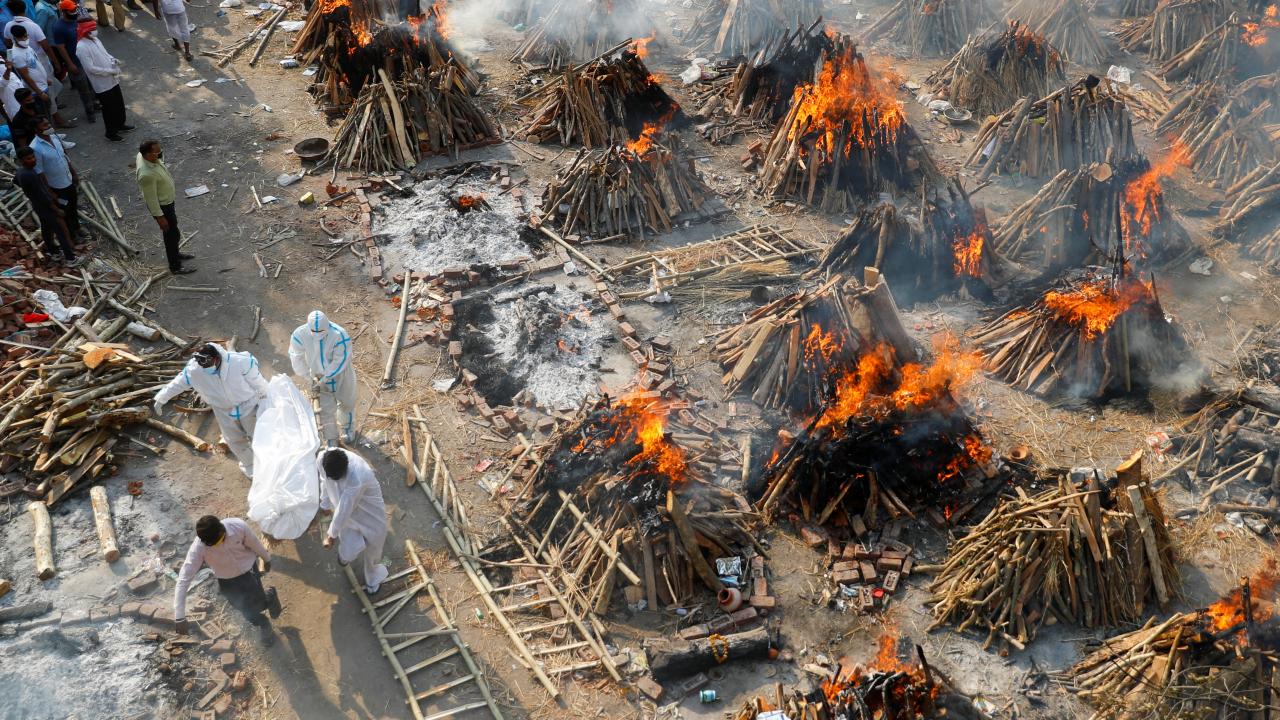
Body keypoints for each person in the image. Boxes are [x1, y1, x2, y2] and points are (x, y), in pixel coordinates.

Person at [154, 343, 268, 477]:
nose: (205, 368)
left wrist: (267, 397)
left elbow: (257, 381)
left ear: (217, 358)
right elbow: (178, 383)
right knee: (234, 439)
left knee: (258, 434)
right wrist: (161, 398)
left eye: (208, 364)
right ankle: (249, 464)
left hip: (248, 404)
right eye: (203, 366)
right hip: (222, 410)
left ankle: (268, 461)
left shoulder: (239, 362)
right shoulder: (194, 369)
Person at [173, 516, 280, 646]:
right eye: (214, 544)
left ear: (222, 529)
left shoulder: (238, 526)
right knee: (244, 609)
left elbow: (254, 543)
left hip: (249, 571)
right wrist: (179, 616)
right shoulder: (199, 548)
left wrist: (266, 559)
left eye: (221, 539)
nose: (219, 544)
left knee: (259, 603)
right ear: (204, 541)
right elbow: (184, 579)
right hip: (227, 580)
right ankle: (263, 623)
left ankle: (269, 596)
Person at [319, 448, 388, 595]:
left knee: (375, 544)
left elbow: (345, 507)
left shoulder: (357, 475)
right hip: (343, 507)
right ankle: (344, 556)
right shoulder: (322, 459)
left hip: (369, 509)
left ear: (345, 469)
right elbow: (324, 481)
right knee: (349, 547)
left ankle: (372, 577)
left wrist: (331, 534)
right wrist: (324, 503)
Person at [289, 310, 357, 444]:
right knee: (325, 410)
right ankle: (331, 438)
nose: (317, 334)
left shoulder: (339, 335)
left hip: (341, 374)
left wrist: (326, 377)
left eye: (321, 331)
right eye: (314, 331)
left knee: (347, 403)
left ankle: (347, 428)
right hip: (316, 376)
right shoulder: (299, 335)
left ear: (327, 325)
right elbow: (296, 356)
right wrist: (307, 376)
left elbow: (340, 361)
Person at [136, 138, 194, 273]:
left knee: (174, 233)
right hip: (163, 207)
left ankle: (176, 254)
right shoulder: (146, 175)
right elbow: (150, 199)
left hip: (168, 202)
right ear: (148, 154)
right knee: (171, 236)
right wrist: (160, 217)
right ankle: (175, 266)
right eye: (157, 153)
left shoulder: (144, 156)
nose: (160, 154)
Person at [14, 145, 78, 264]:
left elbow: (15, 181)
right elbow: (42, 196)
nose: (33, 160)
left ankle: (53, 252)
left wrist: (29, 191)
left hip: (37, 205)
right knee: (60, 230)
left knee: (46, 228)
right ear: (21, 161)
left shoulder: (21, 172)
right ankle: (71, 258)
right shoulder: (30, 174)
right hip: (45, 207)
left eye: (33, 157)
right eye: (29, 158)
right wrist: (56, 209)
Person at [6, 24, 71, 127]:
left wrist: (45, 79)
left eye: (26, 36)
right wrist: (39, 92)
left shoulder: (27, 47)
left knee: (48, 111)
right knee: (43, 118)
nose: (25, 39)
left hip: (43, 85)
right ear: (15, 38)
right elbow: (26, 76)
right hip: (37, 91)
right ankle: (50, 134)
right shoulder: (17, 55)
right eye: (22, 37)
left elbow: (36, 64)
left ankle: (53, 132)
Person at [29, 116, 82, 241]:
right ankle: (72, 236)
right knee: (65, 211)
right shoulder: (35, 147)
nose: (48, 126)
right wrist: (50, 192)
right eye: (44, 125)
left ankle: (77, 228)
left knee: (73, 206)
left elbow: (65, 156)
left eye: (48, 123)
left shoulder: (55, 138)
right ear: (36, 129)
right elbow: (39, 172)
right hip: (56, 186)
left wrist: (74, 174)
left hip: (68, 179)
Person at [74, 20, 129, 139]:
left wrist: (113, 60)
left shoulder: (95, 40)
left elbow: (105, 54)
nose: (95, 31)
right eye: (92, 29)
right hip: (102, 84)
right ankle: (111, 132)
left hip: (112, 79)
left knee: (118, 104)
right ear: (86, 31)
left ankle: (120, 124)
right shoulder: (81, 47)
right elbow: (90, 68)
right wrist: (109, 71)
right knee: (109, 108)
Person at [51, 0, 96, 124]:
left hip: (86, 58)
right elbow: (61, 47)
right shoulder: (59, 27)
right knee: (84, 89)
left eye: (74, 9)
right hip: (75, 62)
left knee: (92, 84)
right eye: (71, 10)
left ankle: (95, 104)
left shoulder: (76, 19)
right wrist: (70, 64)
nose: (74, 11)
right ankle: (90, 112)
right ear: (64, 12)